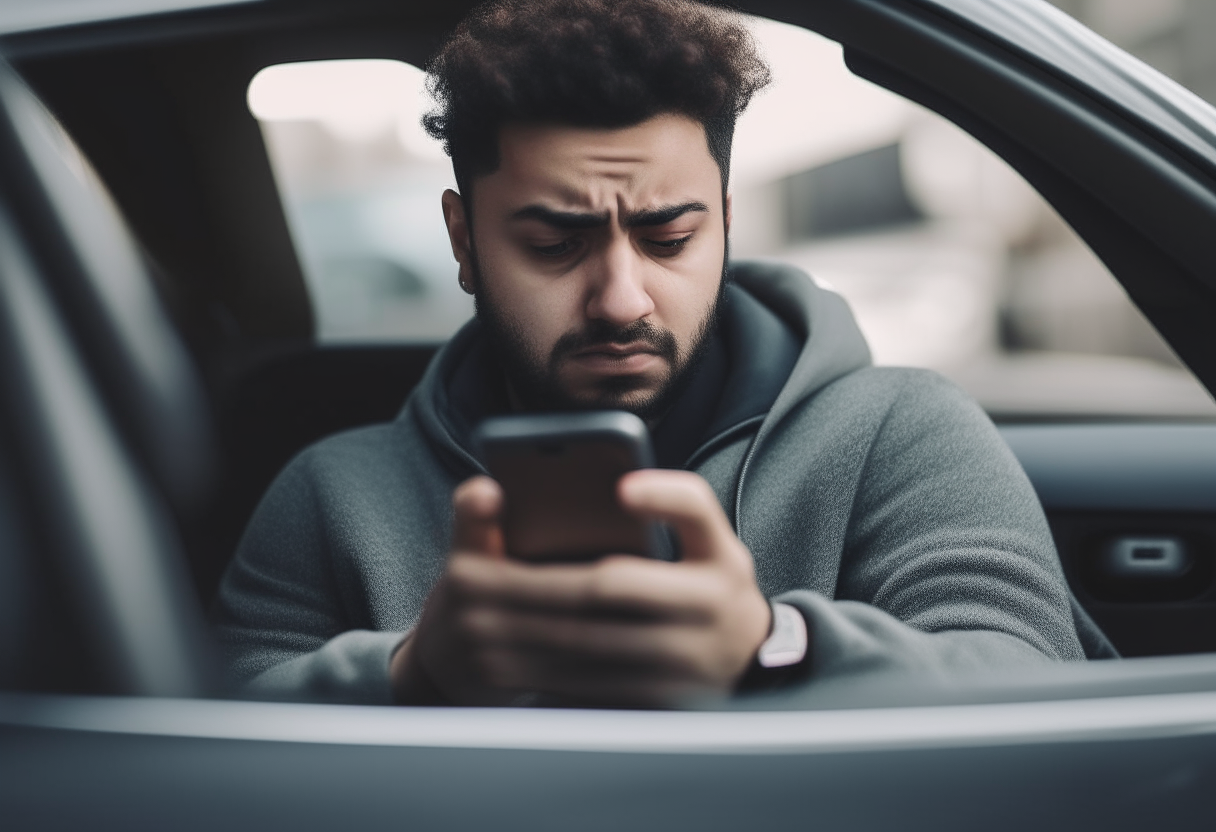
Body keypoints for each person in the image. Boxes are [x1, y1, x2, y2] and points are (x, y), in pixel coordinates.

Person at [214, 0, 1107, 708]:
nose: (620, 299)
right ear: (463, 242)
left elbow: (1036, 695)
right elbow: (202, 750)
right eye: (555, 245)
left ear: (725, 220)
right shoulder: (329, 497)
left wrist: (770, 645)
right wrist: (415, 677)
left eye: (669, 237)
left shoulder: (899, 432)